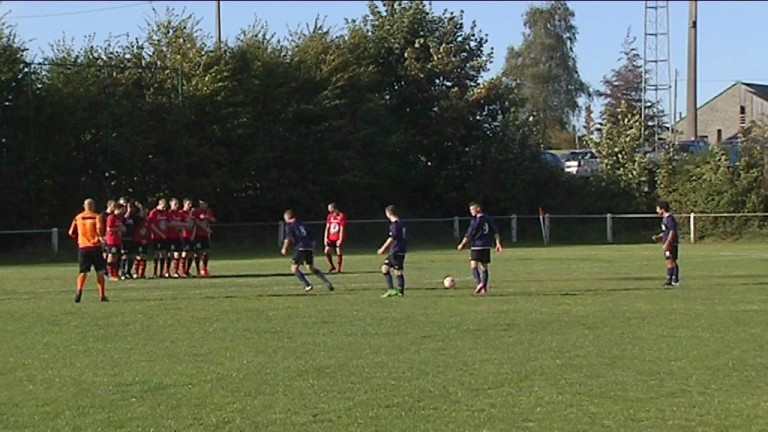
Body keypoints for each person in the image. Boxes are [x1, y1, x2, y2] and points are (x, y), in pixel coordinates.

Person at [281, 209, 335, 292]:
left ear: (287, 217)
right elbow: (311, 236)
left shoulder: (290, 225)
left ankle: (307, 285)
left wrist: (285, 248)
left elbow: (288, 238)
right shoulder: (302, 224)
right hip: (309, 247)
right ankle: (327, 282)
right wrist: (312, 246)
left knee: (294, 268)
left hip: (301, 248)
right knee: (311, 267)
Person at [457, 202, 503, 295]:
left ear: (478, 209)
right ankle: (484, 288)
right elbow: (495, 232)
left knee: (473, 265)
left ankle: (479, 283)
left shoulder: (475, 220)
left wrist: (462, 244)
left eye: (472, 210)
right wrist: (498, 244)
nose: (471, 212)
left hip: (476, 245)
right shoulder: (488, 219)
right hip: (486, 245)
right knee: (484, 267)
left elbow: (469, 233)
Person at [67, 198, 108, 302]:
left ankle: (79, 290)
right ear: (93, 206)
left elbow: (71, 232)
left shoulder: (78, 217)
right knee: (99, 271)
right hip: (95, 246)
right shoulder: (97, 217)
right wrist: (100, 237)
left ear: (84, 206)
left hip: (83, 247)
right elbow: (99, 230)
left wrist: (80, 238)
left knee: (83, 271)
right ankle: (102, 295)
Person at [377, 205, 407, 298]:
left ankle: (400, 291)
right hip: (398, 250)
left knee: (398, 271)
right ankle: (391, 289)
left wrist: (383, 248)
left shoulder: (395, 225)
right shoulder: (401, 223)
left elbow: (392, 238)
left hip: (396, 250)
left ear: (388, 213)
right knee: (384, 268)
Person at [652, 199, 680, 286]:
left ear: (662, 209)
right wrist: (659, 237)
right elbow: (666, 232)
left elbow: (672, 231)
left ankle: (674, 280)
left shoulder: (669, 218)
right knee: (669, 260)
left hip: (671, 243)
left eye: (657, 209)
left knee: (671, 260)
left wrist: (667, 243)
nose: (656, 211)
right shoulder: (664, 219)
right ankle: (670, 279)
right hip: (667, 243)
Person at [191, 199, 216, 277]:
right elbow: (196, 222)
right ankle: (198, 270)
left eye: (203, 204)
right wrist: (206, 229)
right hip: (198, 235)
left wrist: (206, 217)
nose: (202, 205)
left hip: (205, 235)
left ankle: (204, 269)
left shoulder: (208, 211)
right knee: (198, 253)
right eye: (200, 204)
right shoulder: (196, 211)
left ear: (206, 204)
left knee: (206, 252)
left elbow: (213, 219)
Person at [147, 198, 169, 278]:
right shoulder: (154, 213)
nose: (164, 208)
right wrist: (160, 233)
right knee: (156, 254)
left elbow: (168, 223)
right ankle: (155, 272)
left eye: (165, 207)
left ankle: (161, 272)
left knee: (163, 253)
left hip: (164, 236)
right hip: (156, 237)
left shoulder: (165, 213)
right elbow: (152, 226)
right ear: (159, 205)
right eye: (163, 206)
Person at [165, 198, 187, 278]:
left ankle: (175, 272)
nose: (177, 206)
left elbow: (186, 223)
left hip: (178, 236)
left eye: (177, 204)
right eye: (175, 204)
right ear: (170, 204)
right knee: (169, 254)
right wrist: (179, 225)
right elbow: (170, 224)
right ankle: (167, 271)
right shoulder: (168, 213)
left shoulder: (179, 213)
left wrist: (178, 225)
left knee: (177, 254)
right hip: (170, 236)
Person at [105, 203, 126, 281]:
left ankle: (116, 274)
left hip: (118, 240)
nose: (123, 211)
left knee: (117, 257)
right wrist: (119, 229)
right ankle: (111, 274)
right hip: (111, 240)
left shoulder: (119, 218)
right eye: (121, 209)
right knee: (111, 257)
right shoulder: (111, 217)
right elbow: (109, 229)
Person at [324, 203, 346, 273]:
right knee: (326, 251)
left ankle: (339, 269)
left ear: (333, 208)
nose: (328, 210)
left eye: (329, 208)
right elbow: (327, 228)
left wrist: (340, 239)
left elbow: (342, 228)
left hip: (337, 237)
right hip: (330, 237)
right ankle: (332, 266)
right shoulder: (329, 216)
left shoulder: (341, 216)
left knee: (338, 252)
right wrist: (325, 238)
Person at [131, 201, 150, 279]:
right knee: (139, 256)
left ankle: (142, 273)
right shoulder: (138, 219)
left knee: (144, 256)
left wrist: (146, 239)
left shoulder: (148, 220)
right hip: (138, 240)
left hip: (145, 240)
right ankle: (136, 272)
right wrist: (140, 207)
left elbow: (148, 231)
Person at [180, 199, 196, 277]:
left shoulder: (192, 214)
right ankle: (183, 271)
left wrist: (193, 234)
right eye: (188, 204)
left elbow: (194, 225)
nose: (190, 206)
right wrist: (191, 213)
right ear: (184, 204)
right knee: (185, 253)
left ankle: (187, 271)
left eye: (191, 204)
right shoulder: (181, 213)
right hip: (184, 235)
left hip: (191, 236)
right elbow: (187, 221)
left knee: (191, 254)